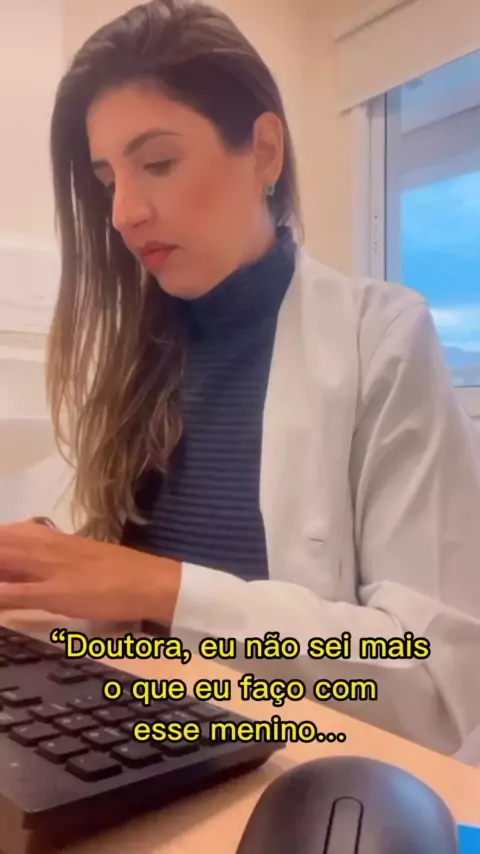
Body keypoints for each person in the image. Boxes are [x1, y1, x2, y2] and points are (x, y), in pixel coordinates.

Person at [1, 0, 480, 756]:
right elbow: (115, 622)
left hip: (304, 770)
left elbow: (435, 685)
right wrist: (49, 574)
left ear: (263, 151)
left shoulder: (383, 338)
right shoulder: (122, 358)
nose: (123, 213)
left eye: (158, 163)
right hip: (132, 746)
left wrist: (161, 587)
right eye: (106, 179)